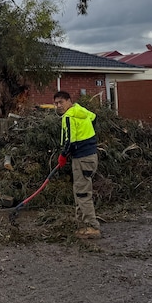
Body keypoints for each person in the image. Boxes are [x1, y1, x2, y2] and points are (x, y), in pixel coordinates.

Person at [53, 91, 100, 239]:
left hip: (81, 158)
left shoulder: (69, 116)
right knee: (80, 189)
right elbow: (93, 118)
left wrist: (63, 155)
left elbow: (70, 141)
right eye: (56, 103)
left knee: (82, 192)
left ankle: (91, 227)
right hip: (91, 156)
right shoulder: (81, 110)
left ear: (68, 101)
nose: (58, 106)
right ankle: (82, 224)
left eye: (61, 102)